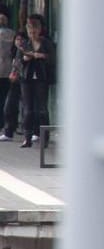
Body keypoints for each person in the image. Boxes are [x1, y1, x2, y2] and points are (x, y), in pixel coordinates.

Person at [16, 13, 54, 148]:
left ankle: (44, 138)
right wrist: (24, 59)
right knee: (28, 109)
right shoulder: (24, 44)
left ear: (39, 29)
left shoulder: (46, 43)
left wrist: (42, 56)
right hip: (26, 79)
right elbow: (18, 62)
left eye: (35, 29)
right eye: (30, 30)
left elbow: (53, 59)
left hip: (41, 78)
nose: (32, 32)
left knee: (42, 109)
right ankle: (27, 138)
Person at [0, 10, 14, 141]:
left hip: (7, 70)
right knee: (5, 98)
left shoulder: (10, 34)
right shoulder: (12, 34)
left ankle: (4, 124)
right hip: (7, 70)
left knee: (5, 98)